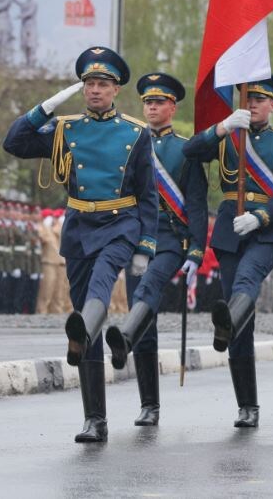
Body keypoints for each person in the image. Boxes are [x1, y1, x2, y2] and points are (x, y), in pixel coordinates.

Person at [3, 46, 157, 443]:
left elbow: (148, 194)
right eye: (89, 83)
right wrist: (45, 108)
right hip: (79, 227)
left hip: (120, 223)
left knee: (101, 285)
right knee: (85, 316)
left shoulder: (136, 132)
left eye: (102, 84)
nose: (94, 90)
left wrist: (145, 246)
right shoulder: (65, 128)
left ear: (116, 89)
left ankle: (84, 330)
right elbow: (14, 143)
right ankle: (95, 420)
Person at [182, 75, 273, 429]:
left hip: (268, 230)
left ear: (272, 105)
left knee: (246, 283)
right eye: (248, 99)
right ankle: (247, 406)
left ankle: (228, 320)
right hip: (231, 229)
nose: (252, 105)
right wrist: (222, 127)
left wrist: (260, 217)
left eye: (260, 99)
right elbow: (190, 151)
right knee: (239, 318)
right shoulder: (228, 136)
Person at [105, 72, 208, 426]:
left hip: (171, 239)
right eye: (148, 102)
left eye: (159, 102)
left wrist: (197, 249)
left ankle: (125, 336)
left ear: (172, 107)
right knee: (144, 317)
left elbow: (196, 203)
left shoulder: (185, 150)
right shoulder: (131, 145)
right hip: (138, 239)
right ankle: (149, 405)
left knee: (147, 291)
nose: (152, 108)